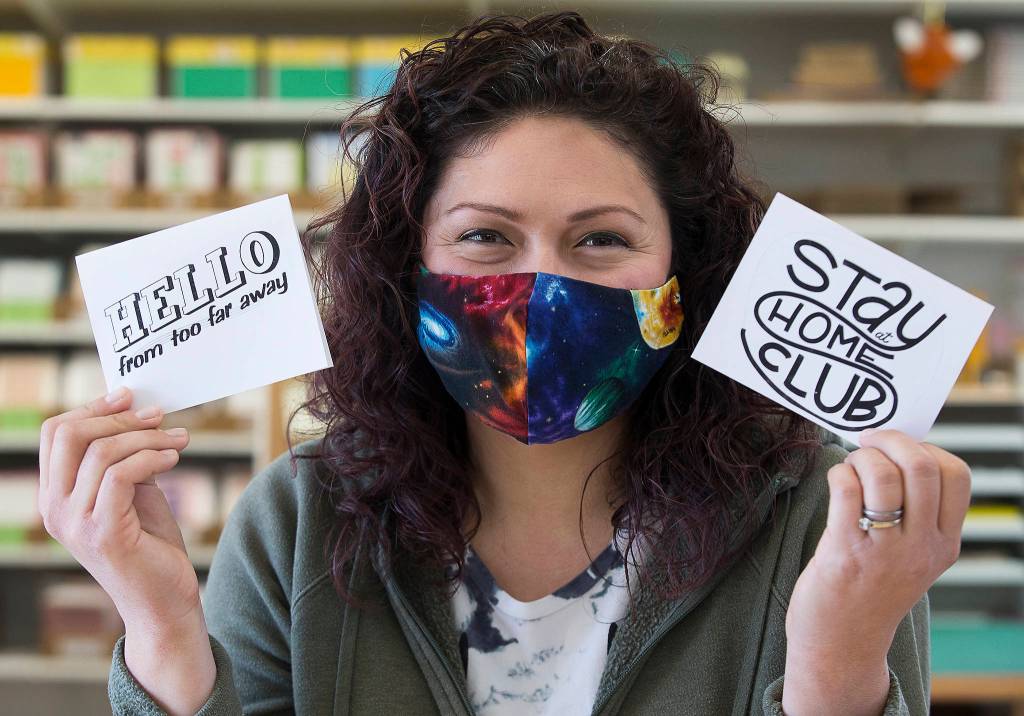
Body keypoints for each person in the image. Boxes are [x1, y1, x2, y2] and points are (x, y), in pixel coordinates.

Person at [38, 11, 969, 716]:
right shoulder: (298, 516)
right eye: (486, 236)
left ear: (681, 283)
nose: (542, 290)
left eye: (600, 240)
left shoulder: (819, 517)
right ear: (409, 270)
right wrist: (159, 624)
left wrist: (839, 661)